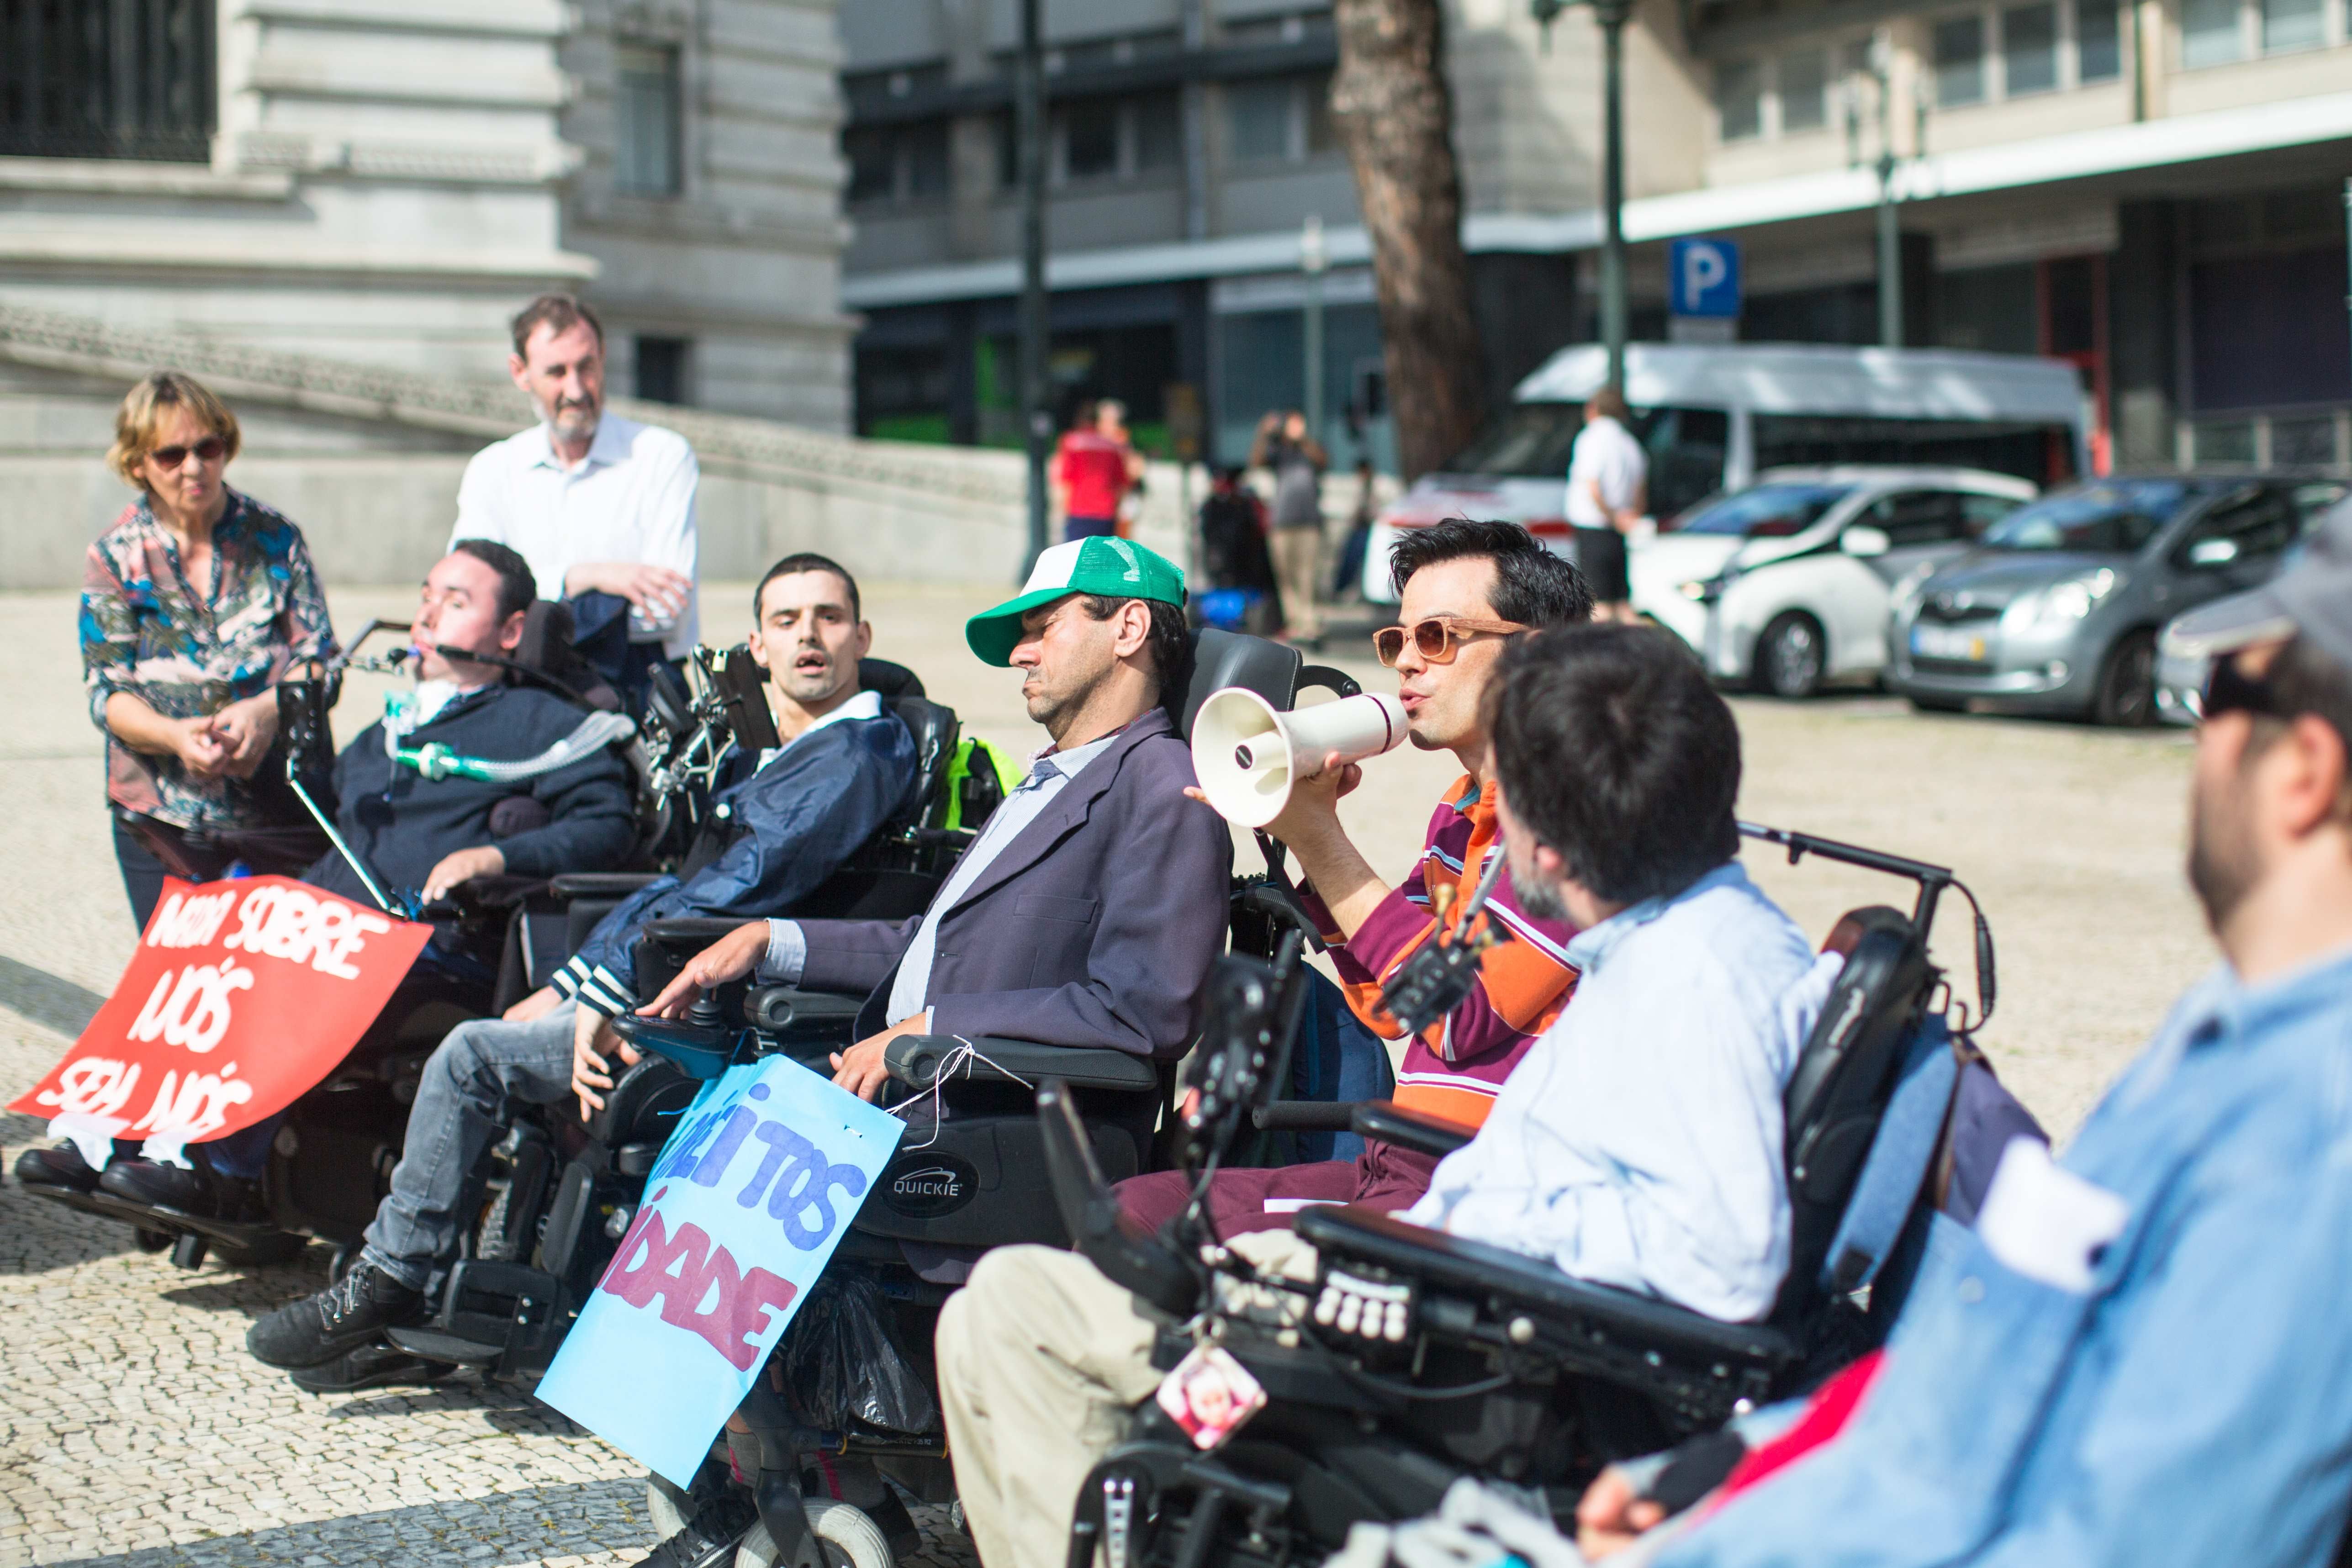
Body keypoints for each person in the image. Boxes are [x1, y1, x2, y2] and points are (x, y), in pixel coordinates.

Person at [935, 622, 1842, 1568]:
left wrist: (1464, 1239)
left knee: (1014, 1318)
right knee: (1005, 1304)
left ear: (1551, 846)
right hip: (1431, 1282)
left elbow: (1728, 1261)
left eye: (1511, 802)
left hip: (1452, 1334)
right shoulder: (1675, 944)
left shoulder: (1694, 979)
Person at [1554, 497, 2352, 1568]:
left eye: (2218, 695)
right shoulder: (2226, 1032)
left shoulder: (2309, 1136)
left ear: (2304, 772)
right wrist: (1737, 1467)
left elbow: (2136, 1541)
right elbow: (1992, 1362)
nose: (2196, 741)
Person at [247, 536, 1230, 1379]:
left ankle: (730, 1461)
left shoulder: (1163, 789)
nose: (1020, 650)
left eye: (1043, 626)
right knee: (692, 1165)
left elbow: (1139, 1013)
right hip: (906, 1069)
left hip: (983, 1110)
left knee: (686, 1151)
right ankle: (728, 1463)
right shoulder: (1057, 775)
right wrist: (770, 940)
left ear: (1127, 629)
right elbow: (925, 940)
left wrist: (926, 1029)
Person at [241, 553, 918, 1389]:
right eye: (787, 620)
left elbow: (741, 887)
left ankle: (393, 1276)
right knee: (506, 1022)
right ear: (758, 646)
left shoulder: (859, 749)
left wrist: (604, 990)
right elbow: (677, 886)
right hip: (674, 979)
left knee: (470, 1055)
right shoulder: (780, 751)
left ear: (862, 636)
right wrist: (574, 983)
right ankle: (455, 1287)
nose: (808, 635)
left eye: (827, 617)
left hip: (721, 1008)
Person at [27, 542, 641, 1213]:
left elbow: (607, 825)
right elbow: (322, 816)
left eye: (456, 602)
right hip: (337, 920)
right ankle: (96, 1134)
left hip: (426, 936)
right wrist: (262, 753)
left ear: (512, 631)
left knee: (281, 970)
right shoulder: (393, 727)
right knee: (199, 950)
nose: (428, 614)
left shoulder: (548, 724)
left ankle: (209, 1165)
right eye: (426, 596)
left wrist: (495, 858)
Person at [1118, 518, 1590, 1239]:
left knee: (1158, 1233)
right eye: (1397, 640)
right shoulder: (1460, 810)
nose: (1407, 663)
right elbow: (1390, 1004)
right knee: (1132, 1208)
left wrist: (1319, 837)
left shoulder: (1575, 816)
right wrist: (1307, 840)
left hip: (1481, 1190)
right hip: (1399, 1164)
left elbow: (1458, 1015)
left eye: (1437, 637)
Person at [80, 370, 339, 930]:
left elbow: (321, 659)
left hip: (279, 805)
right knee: (180, 973)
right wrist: (176, 736)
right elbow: (106, 693)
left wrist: (267, 712)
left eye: (208, 448)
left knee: (277, 972)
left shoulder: (277, 539)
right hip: (164, 820)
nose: (194, 467)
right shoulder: (115, 556)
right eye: (171, 455)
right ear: (138, 464)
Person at [452, 293, 699, 705]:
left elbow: (666, 613)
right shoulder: (492, 470)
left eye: (587, 366)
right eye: (557, 372)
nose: (577, 389)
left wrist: (531, 616)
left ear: (603, 359)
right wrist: (583, 577)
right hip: (521, 693)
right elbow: (468, 601)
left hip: (637, 691)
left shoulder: (661, 456)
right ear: (520, 373)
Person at [1566, 386, 1647, 624]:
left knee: (1599, 605)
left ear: (1592, 409)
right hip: (1619, 530)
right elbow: (1640, 490)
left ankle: (1604, 649)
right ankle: (1639, 645)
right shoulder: (1631, 444)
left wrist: (1612, 516)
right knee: (1622, 603)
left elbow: (1592, 485)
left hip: (1595, 527)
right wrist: (1630, 518)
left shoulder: (1591, 439)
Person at [1253, 410, 1329, 644]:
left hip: (1309, 522)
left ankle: (1309, 623)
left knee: (1307, 575)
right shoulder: (1278, 451)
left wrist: (1302, 439)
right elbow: (1256, 462)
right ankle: (1294, 623)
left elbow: (1323, 461)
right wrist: (1264, 433)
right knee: (1285, 576)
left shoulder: (1309, 450)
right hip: (1281, 523)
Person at [1054, 399, 1132, 543]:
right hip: (1106, 513)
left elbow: (1064, 481)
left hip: (1078, 511)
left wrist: (1061, 510)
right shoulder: (1113, 446)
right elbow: (1122, 483)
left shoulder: (1072, 442)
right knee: (1102, 555)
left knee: (1076, 554)